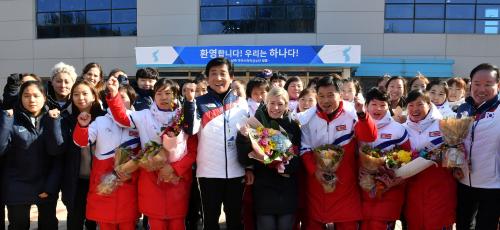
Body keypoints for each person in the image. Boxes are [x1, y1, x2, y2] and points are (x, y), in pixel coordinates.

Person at [107, 77, 196, 229]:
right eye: (159, 93)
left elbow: (193, 150)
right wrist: (114, 95)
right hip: (151, 178)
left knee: (177, 222)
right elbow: (122, 117)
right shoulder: (144, 116)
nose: (163, 97)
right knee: (156, 223)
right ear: (153, 95)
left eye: (168, 93)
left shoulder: (185, 117)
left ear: (176, 95)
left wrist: (175, 168)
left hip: (177, 179)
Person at [299, 75, 377, 229]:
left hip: (345, 184)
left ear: (340, 95)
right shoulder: (308, 118)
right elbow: (305, 149)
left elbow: (369, 136)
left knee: (347, 224)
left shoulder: (352, 114)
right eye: (321, 96)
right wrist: (315, 171)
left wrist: (362, 114)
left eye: (330, 95)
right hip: (317, 184)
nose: (325, 100)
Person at [184, 57, 248, 230]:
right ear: (207, 77)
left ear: (232, 76)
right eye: (213, 74)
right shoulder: (199, 103)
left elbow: (250, 139)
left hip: (236, 172)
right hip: (208, 173)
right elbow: (191, 129)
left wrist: (249, 168)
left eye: (223, 73)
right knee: (210, 220)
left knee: (235, 218)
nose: (218, 78)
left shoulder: (242, 104)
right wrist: (189, 103)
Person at [72, 85, 140, 230]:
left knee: (128, 225)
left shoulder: (139, 122)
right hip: (105, 186)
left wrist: (131, 175)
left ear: (131, 100)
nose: (118, 102)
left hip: (128, 187)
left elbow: (144, 154)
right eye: (116, 97)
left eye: (123, 97)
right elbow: (81, 141)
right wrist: (82, 126)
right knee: (105, 225)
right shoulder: (100, 121)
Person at [0, 81, 64, 230]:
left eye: (36, 95)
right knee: (18, 225)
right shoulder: (11, 119)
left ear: (44, 97)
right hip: (17, 184)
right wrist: (6, 121)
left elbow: (57, 151)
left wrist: (50, 186)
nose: (32, 100)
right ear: (20, 98)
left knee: (48, 225)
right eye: (26, 96)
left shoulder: (53, 117)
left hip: (45, 183)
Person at [237, 87, 301, 230]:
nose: (276, 108)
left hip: (287, 186)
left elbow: (298, 155)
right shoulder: (254, 124)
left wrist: (284, 165)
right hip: (263, 185)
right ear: (266, 103)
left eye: (280, 104)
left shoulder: (294, 125)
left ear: (287, 105)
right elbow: (244, 159)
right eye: (272, 103)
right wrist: (243, 138)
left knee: (286, 225)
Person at [403, 90, 456, 229]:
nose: (415, 109)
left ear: (429, 104)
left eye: (420, 104)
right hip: (413, 188)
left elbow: (456, 154)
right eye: (411, 105)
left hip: (440, 186)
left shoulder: (444, 125)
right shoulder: (402, 129)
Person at [456, 63, 500, 230]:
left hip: (493, 186)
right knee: (462, 225)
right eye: (477, 83)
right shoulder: (463, 108)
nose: (481, 89)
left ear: (498, 85)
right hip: (464, 182)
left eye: (488, 84)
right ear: (470, 84)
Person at [359, 88, 411, 230]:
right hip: (361, 190)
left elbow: (407, 158)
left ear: (388, 107)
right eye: (374, 104)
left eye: (383, 105)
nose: (378, 109)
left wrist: (394, 179)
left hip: (388, 191)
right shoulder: (357, 126)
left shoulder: (398, 129)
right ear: (366, 106)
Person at [62, 80, 105, 230]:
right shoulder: (65, 119)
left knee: (93, 220)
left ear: (94, 96)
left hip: (99, 179)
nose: (80, 97)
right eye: (76, 94)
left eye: (85, 93)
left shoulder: (104, 118)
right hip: (76, 179)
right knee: (75, 218)